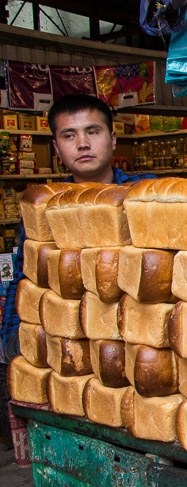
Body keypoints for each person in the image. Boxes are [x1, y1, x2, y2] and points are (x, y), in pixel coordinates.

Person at [1, 94, 156, 362]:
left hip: (140, 337)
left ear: (113, 137)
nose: (83, 144)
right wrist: (12, 338)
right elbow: (24, 276)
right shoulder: (44, 206)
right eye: (69, 136)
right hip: (67, 342)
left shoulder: (145, 193)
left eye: (92, 132)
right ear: (56, 147)